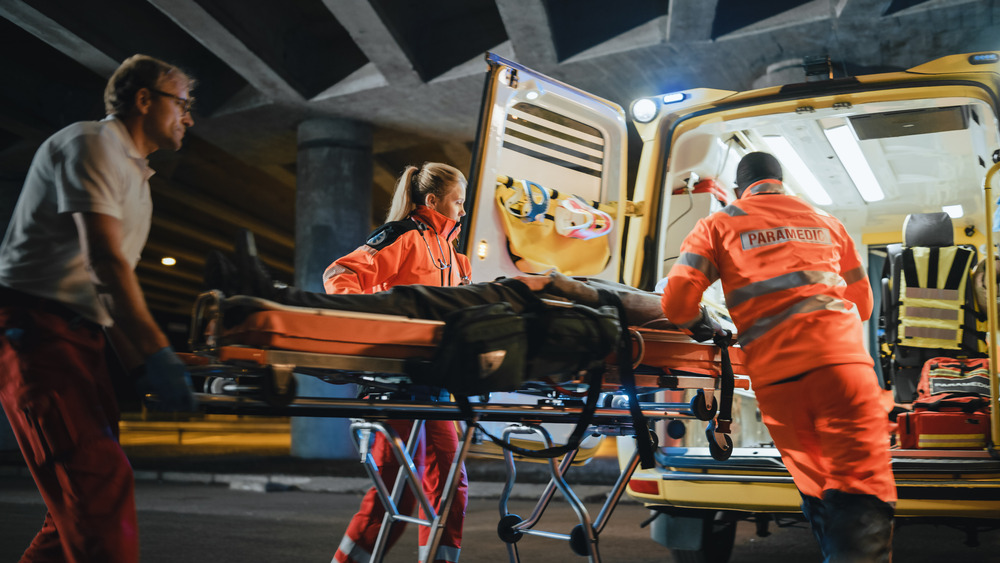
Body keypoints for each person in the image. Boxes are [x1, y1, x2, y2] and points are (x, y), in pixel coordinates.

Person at [0, 54, 198, 562]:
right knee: (98, 487)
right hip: (35, 335)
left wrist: (142, 367)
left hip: (78, 338)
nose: (189, 117)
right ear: (144, 99)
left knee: (75, 508)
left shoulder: (138, 178)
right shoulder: (92, 144)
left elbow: (109, 294)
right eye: (183, 103)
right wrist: (158, 353)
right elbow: (105, 266)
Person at [659, 152, 896, 562]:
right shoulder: (828, 223)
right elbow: (863, 305)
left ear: (738, 190)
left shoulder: (716, 224)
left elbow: (676, 304)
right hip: (841, 372)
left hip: (777, 384)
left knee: (818, 487)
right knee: (858, 488)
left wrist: (704, 321)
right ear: (781, 182)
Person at [325, 163, 471, 563]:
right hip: (397, 383)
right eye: (457, 202)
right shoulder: (402, 236)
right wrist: (372, 333)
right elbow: (340, 273)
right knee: (395, 491)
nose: (462, 211)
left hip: (437, 387)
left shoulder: (456, 259)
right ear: (432, 201)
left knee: (449, 486)